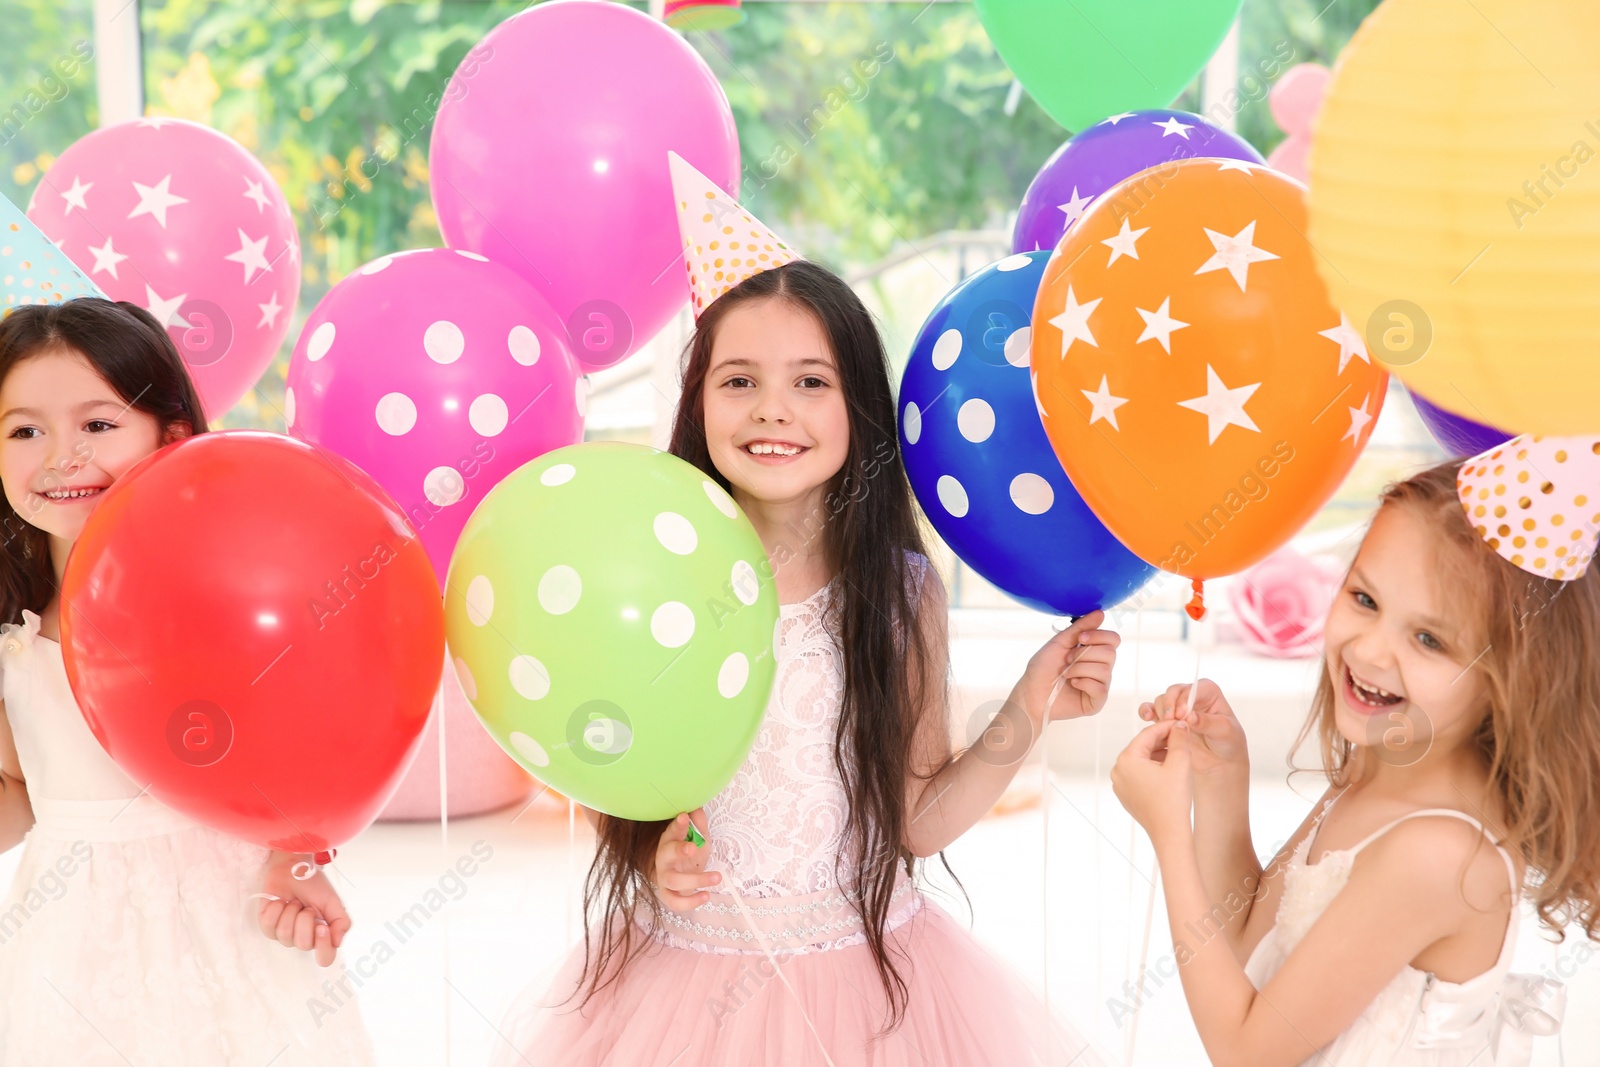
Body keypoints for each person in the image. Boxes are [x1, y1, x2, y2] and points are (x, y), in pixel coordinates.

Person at [487, 154, 1119, 1066]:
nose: (771, 409)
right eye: (738, 380)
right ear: (696, 401)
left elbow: (915, 821)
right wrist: (651, 857)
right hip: (692, 978)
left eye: (810, 381)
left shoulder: (896, 593)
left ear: (860, 406)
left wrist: (1028, 706)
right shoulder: (654, 573)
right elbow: (625, 764)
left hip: (869, 981)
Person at [1112, 441, 1599, 1065]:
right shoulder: (1385, 765)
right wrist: (1220, 780)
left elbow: (1245, 1051)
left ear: (1514, 677)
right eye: (1365, 600)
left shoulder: (1439, 855)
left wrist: (1168, 835)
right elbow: (1248, 951)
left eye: (1429, 639)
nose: (1369, 652)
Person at [0, 297, 376, 1064]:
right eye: (24, 429)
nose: (60, 456)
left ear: (170, 436)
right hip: (70, 934)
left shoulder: (215, 600)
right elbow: (18, 794)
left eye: (97, 425)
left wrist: (294, 859)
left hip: (226, 912)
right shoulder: (15, 631)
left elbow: (290, 754)